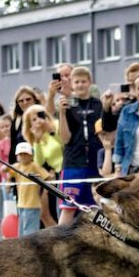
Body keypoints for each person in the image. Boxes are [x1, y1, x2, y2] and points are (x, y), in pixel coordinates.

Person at [56, 66, 104, 226]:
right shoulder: (67, 105)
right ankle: (58, 245)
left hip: (94, 163)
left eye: (84, 81)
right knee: (69, 207)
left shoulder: (98, 104)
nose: (81, 85)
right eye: (77, 82)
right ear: (71, 83)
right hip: (73, 164)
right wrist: (62, 114)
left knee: (96, 209)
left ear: (90, 82)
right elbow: (65, 138)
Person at [22, 102, 63, 228]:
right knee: (53, 210)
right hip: (56, 174)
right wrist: (38, 141)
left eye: (40, 116)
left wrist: (51, 130)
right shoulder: (37, 138)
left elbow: (64, 145)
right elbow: (39, 162)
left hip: (67, 168)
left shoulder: (55, 126)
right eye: (33, 119)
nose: (38, 121)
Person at [9, 141, 49, 237]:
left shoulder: (34, 166)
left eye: (25, 154)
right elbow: (7, 170)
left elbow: (46, 176)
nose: (23, 156)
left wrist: (45, 191)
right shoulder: (18, 166)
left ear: (31, 156)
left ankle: (31, 250)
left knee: (30, 230)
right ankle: (22, 249)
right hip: (21, 204)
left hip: (32, 204)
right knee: (22, 229)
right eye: (20, 154)